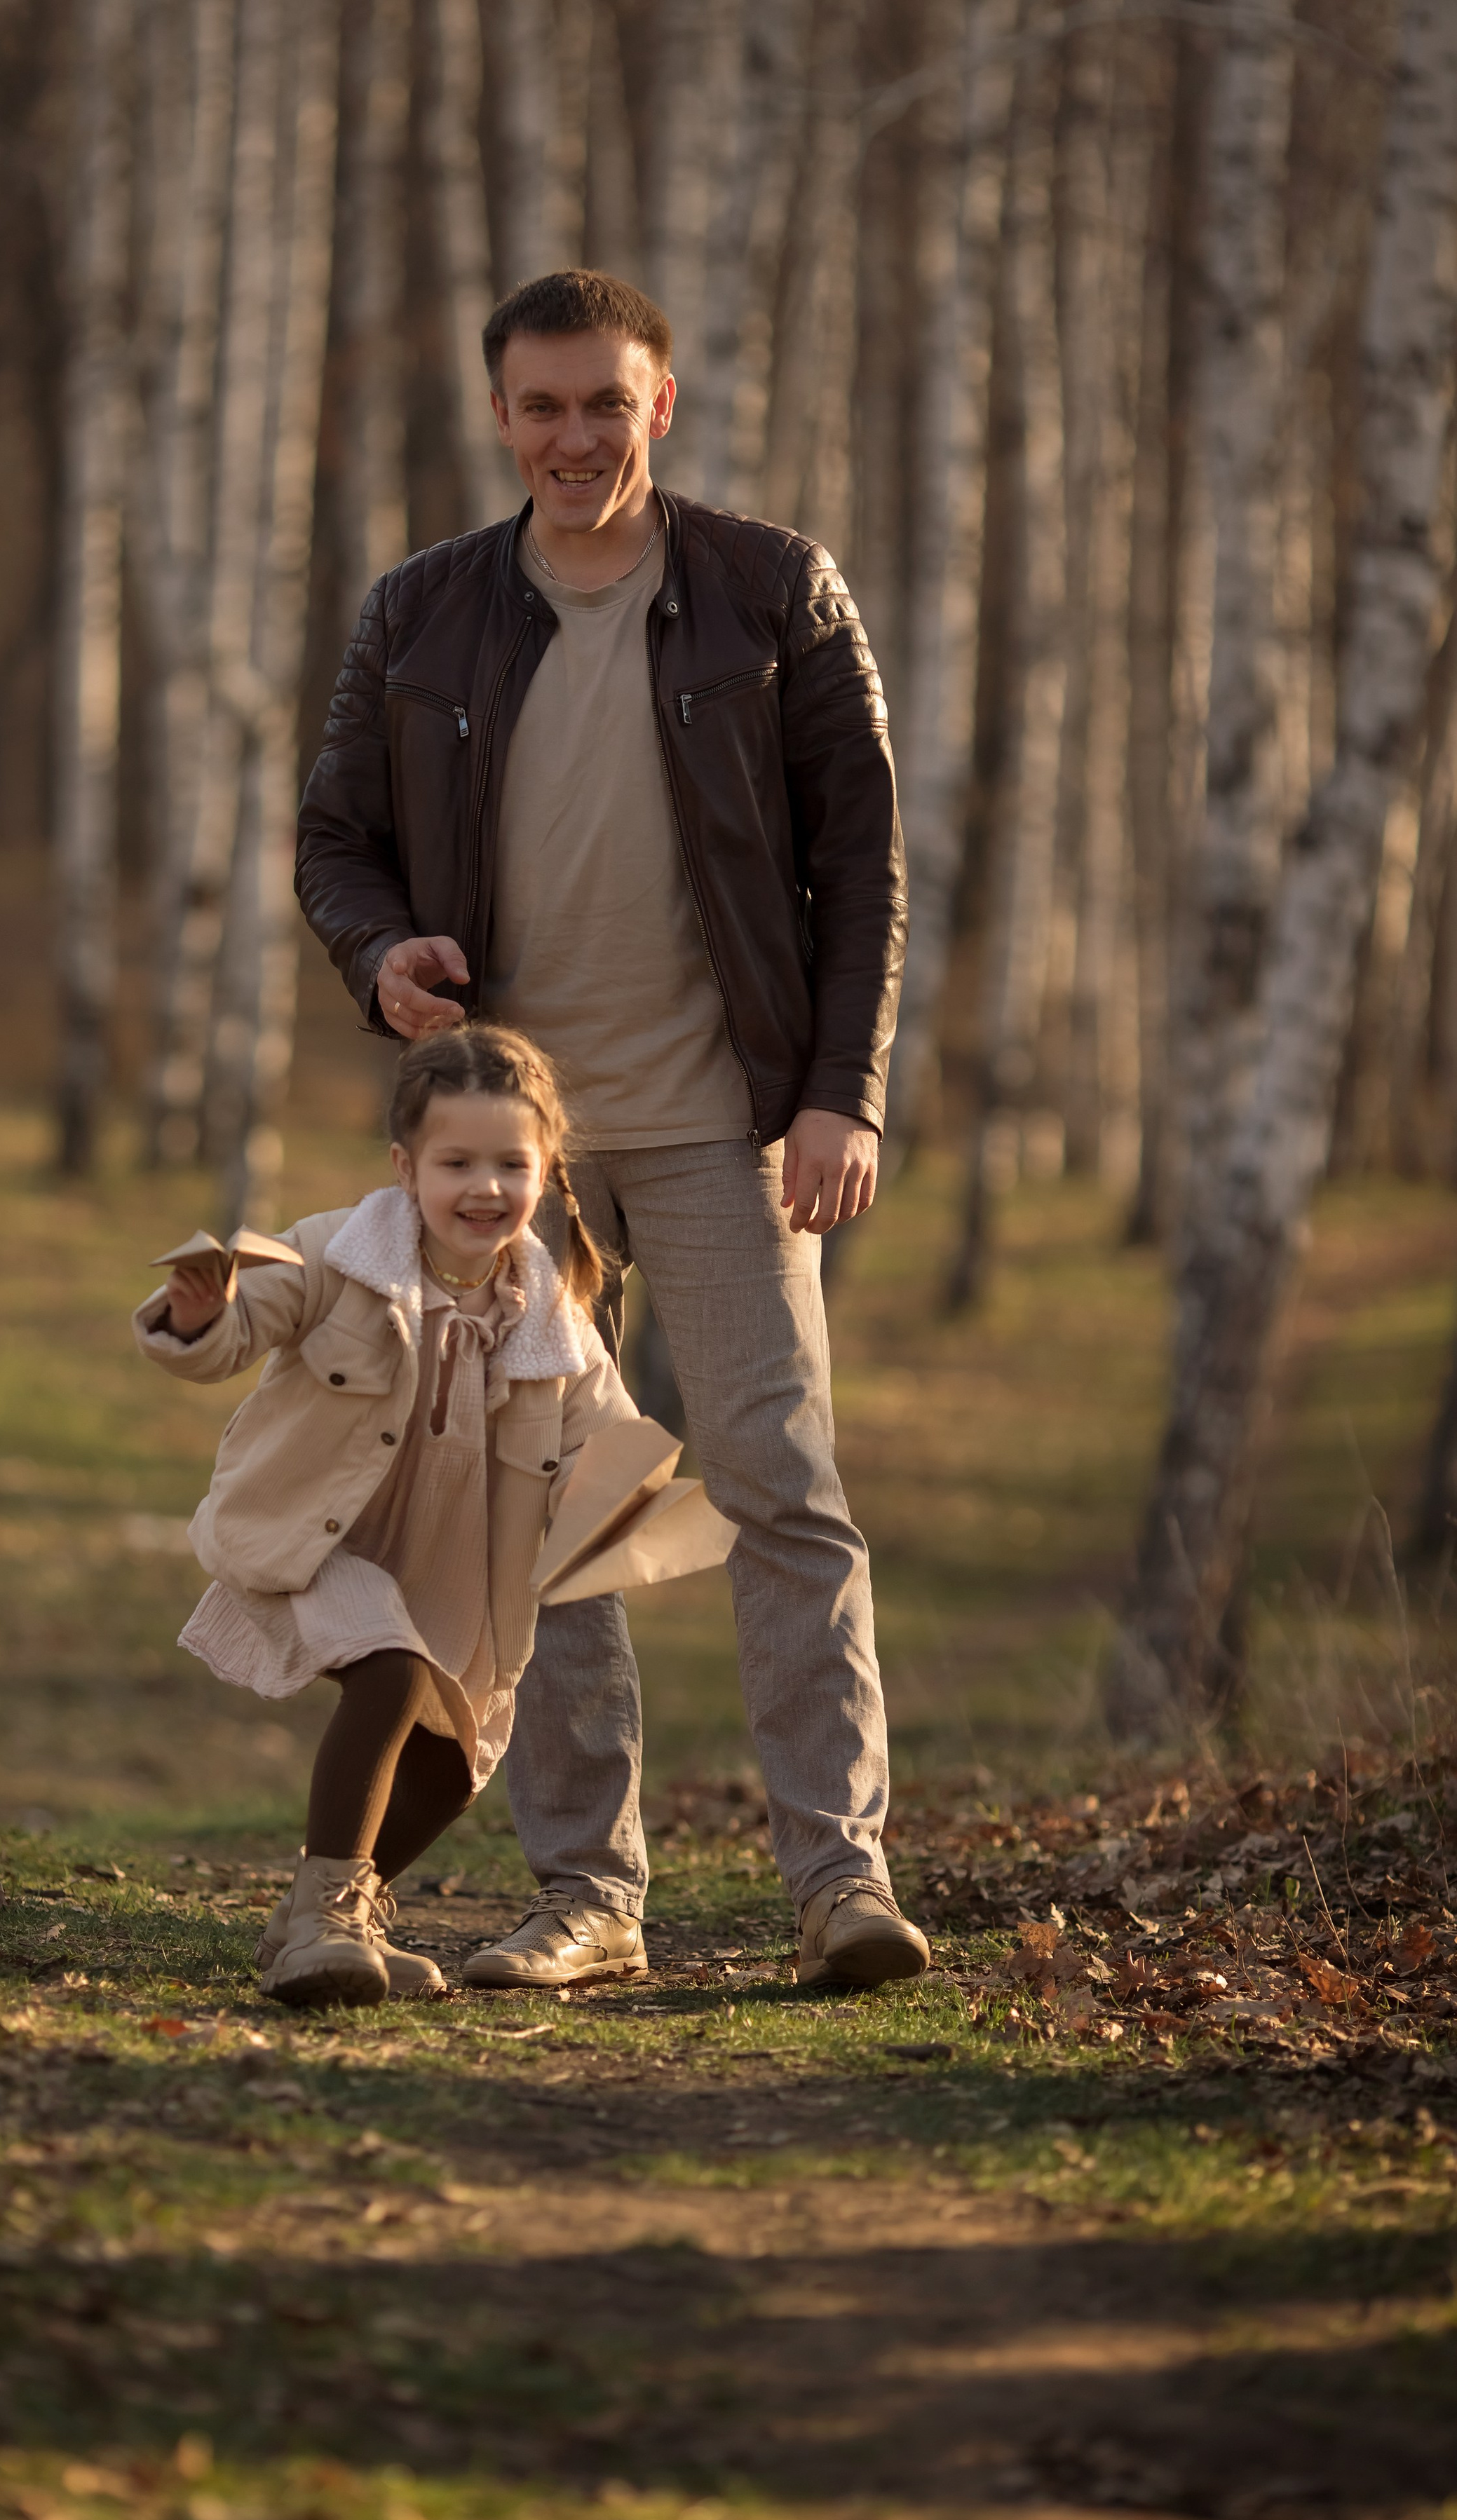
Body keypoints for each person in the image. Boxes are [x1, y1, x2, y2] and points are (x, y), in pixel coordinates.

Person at [296, 267, 928, 1996]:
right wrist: (379, 955)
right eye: (541, 406)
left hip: (728, 1126)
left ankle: (840, 1884)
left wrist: (836, 1092)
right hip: (512, 1160)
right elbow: (333, 841)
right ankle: (590, 1896)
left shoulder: (769, 593)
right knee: (546, 1514)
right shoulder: (422, 613)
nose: (574, 437)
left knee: (781, 1487)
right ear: (499, 417)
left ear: (660, 406)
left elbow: (864, 861)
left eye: (605, 403)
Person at [133, 1023, 662, 2009]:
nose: (485, 1188)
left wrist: (644, 1510)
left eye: (512, 1164)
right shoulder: (337, 1252)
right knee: (388, 1673)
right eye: (457, 1162)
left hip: (451, 1573)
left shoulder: (553, 1317)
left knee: (451, 1763)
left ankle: (328, 1912)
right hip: (319, 1541)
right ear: (405, 1165)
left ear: (547, 1172)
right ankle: (327, 1918)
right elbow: (248, 1321)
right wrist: (201, 1317)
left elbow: (612, 1444)